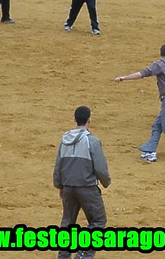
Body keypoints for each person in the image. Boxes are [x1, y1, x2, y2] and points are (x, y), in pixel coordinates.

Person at [53, 105, 111, 259]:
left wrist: (60, 185)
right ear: (89, 120)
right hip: (87, 188)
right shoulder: (92, 141)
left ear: (75, 120)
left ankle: (63, 256)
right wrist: (106, 182)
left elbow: (59, 164)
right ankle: (83, 254)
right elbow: (100, 168)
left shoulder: (64, 140)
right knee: (98, 220)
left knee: (67, 221)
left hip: (68, 187)